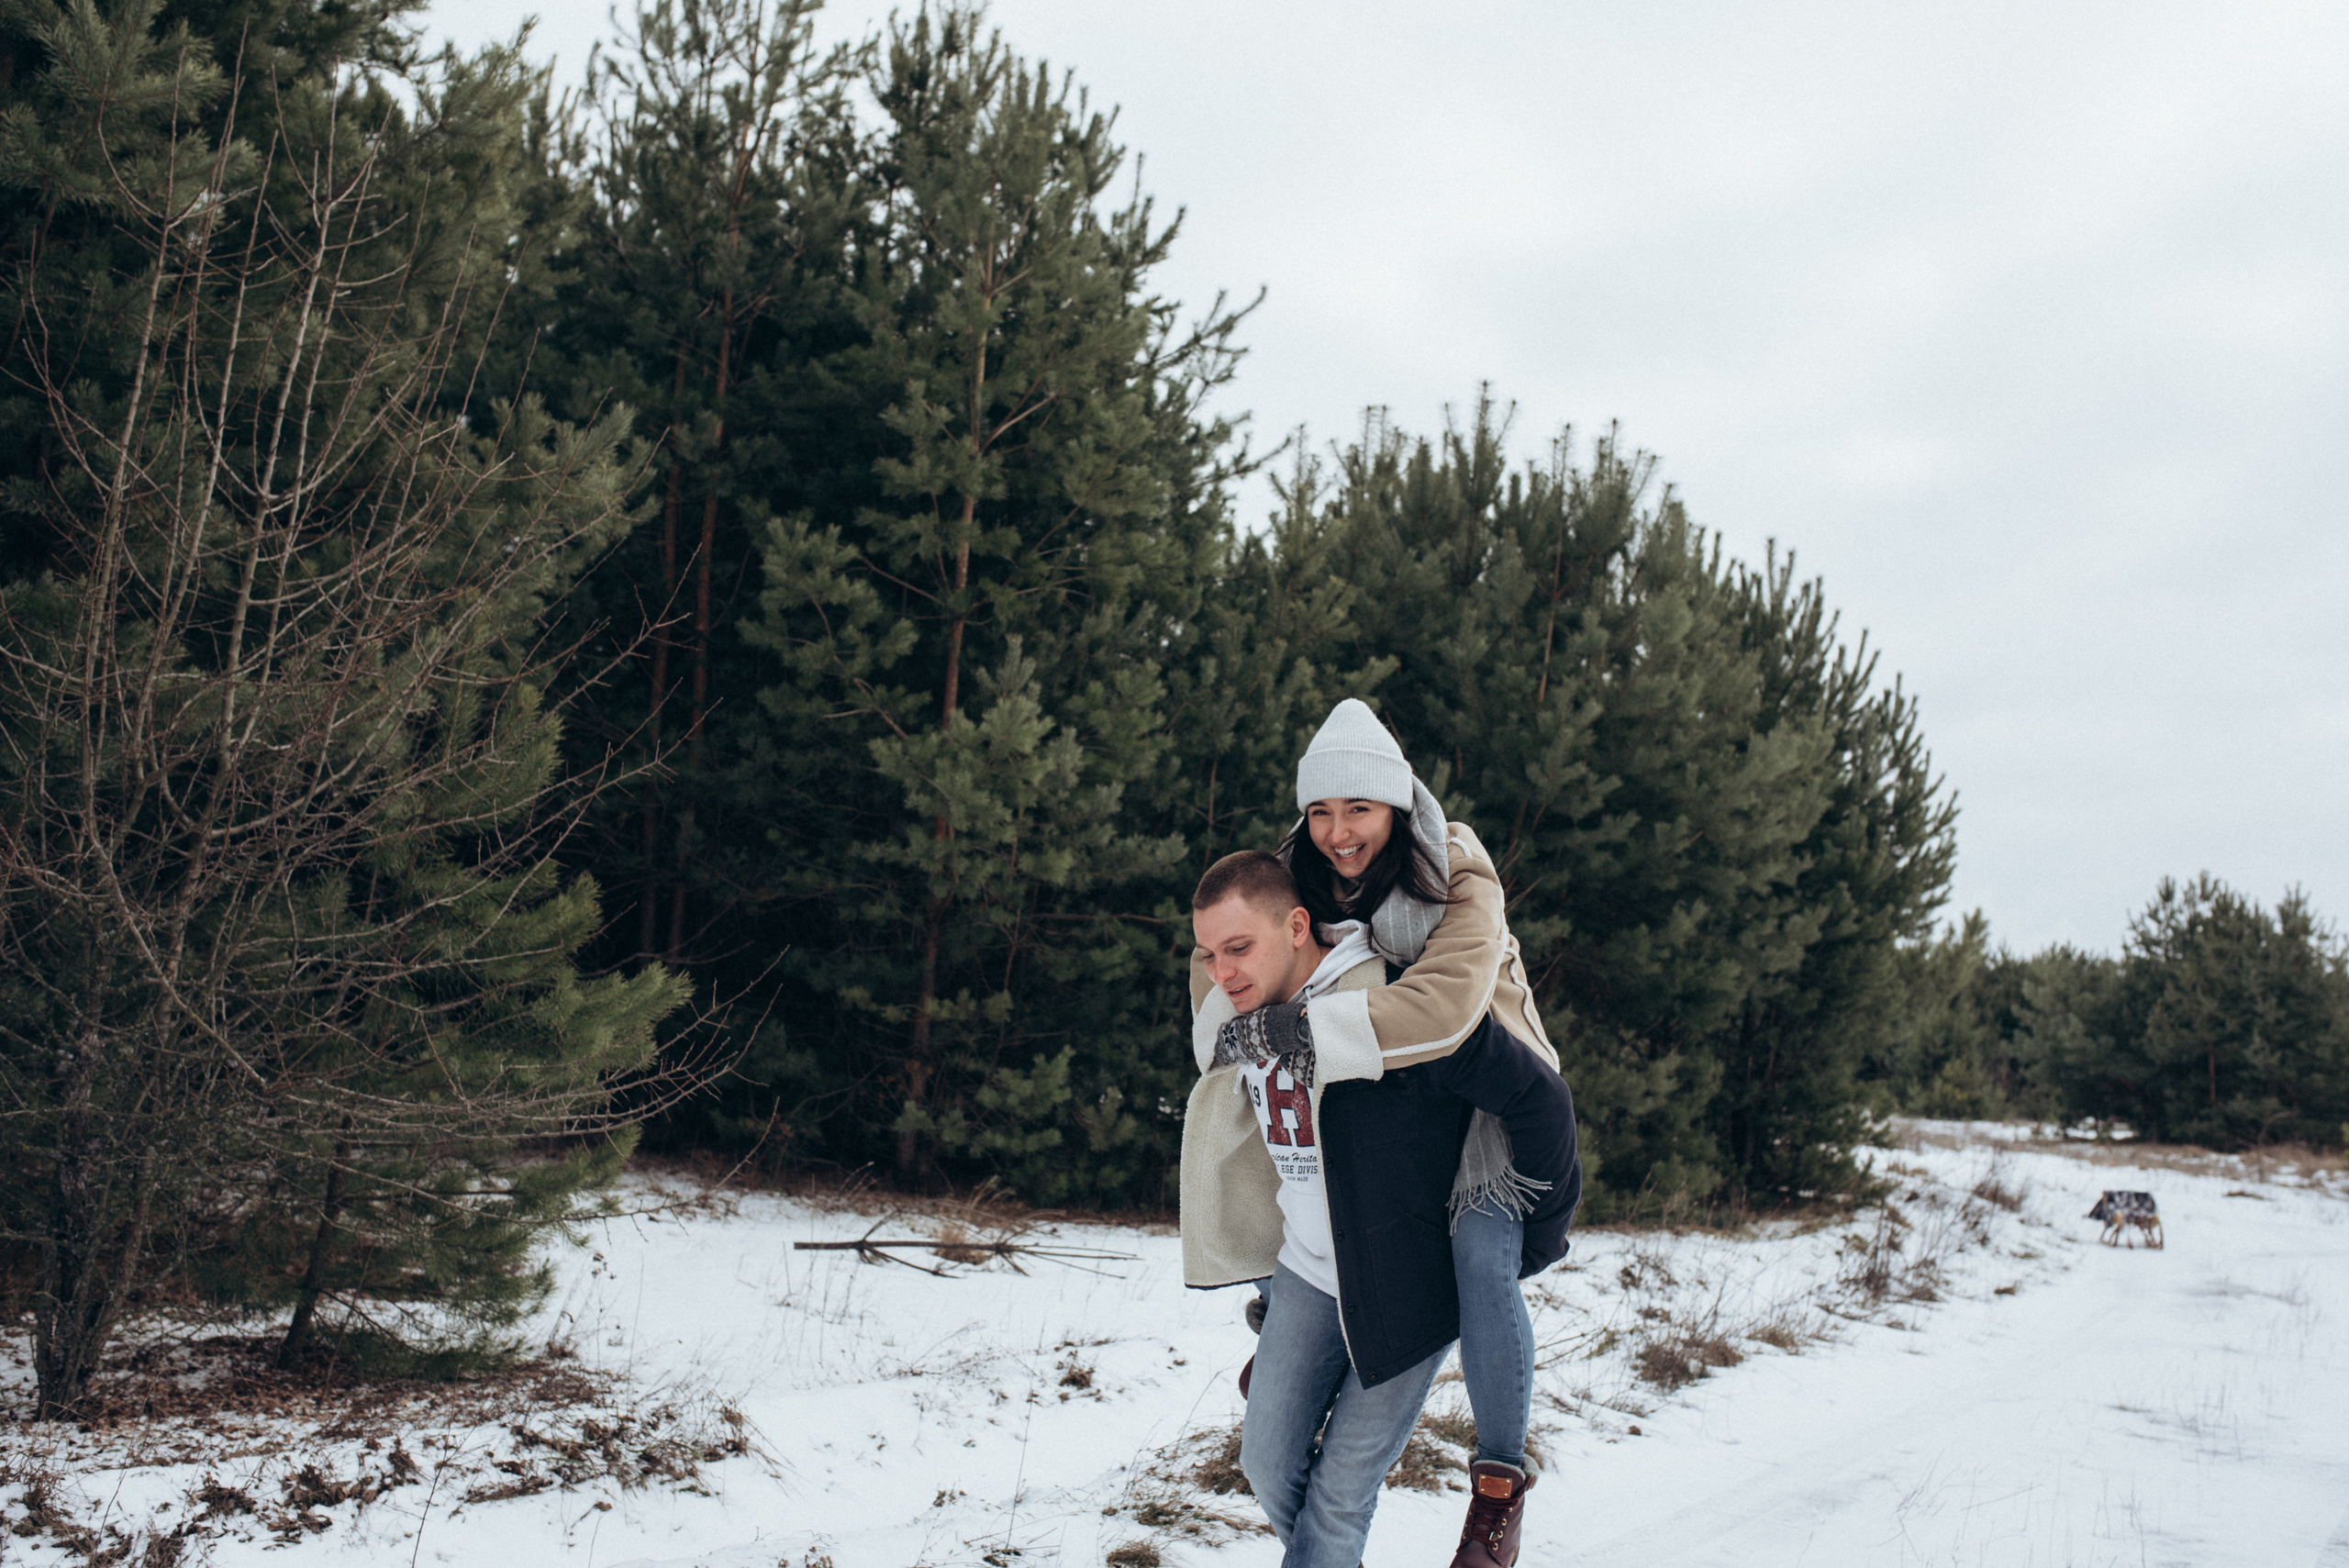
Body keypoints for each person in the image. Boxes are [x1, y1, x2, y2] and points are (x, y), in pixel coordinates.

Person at [1188, 698, 1577, 1568]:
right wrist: (1238, 1005)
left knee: (1479, 1254)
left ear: (1398, 807)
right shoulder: (1300, 876)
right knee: (1277, 1466)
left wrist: (1300, 1030)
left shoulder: (1461, 870)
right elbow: (1228, 934)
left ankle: (1498, 1487)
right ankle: (1290, 1333)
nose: (1338, 833)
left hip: (1483, 1080)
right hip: (1371, 1108)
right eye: (1320, 812)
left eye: (1358, 810)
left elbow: (1442, 1012)